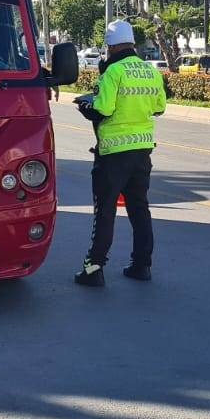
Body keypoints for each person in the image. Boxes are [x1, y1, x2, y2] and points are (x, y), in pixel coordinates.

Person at [74, 20, 167, 287]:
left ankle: (93, 269)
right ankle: (142, 265)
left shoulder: (113, 71)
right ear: (132, 43)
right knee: (140, 208)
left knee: (105, 210)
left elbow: (102, 109)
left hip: (114, 153)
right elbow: (159, 108)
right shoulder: (150, 71)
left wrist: (84, 105)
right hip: (142, 151)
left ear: (111, 46)